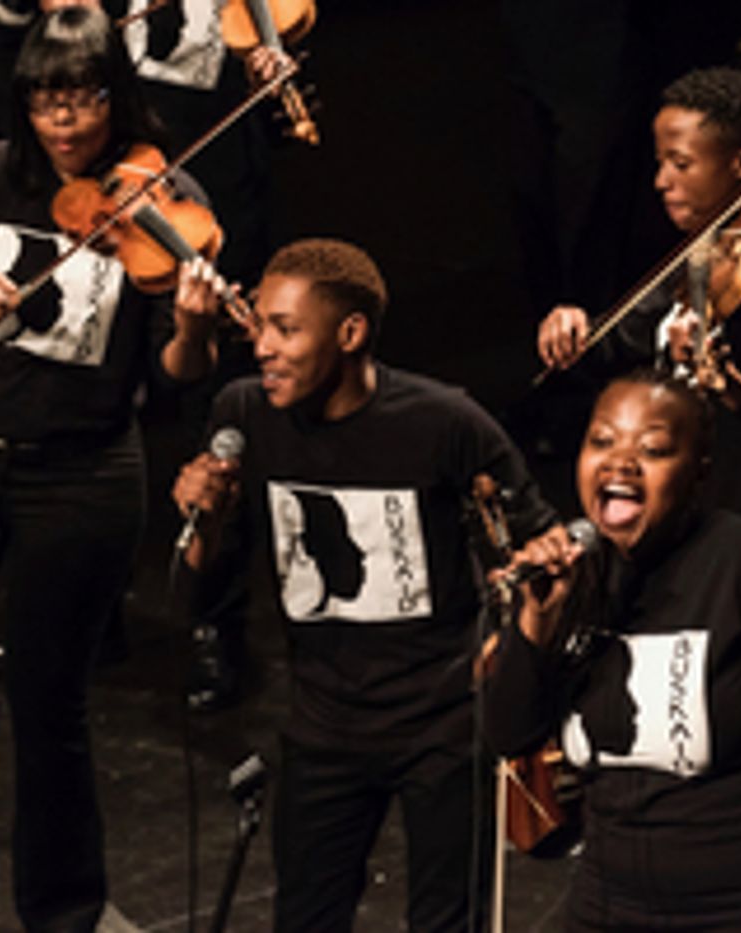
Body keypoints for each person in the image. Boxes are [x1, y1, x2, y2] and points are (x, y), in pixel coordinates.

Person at [0, 6, 221, 929]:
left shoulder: (163, 198)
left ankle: (62, 910)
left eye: (85, 100)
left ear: (116, 99)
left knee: (49, 709)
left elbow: (173, 378)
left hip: (86, 477)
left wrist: (192, 322)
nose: (65, 123)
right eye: (47, 102)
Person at [172, 238, 558, 931]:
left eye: (285, 328)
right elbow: (198, 598)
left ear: (349, 333)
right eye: (259, 324)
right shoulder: (244, 414)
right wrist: (205, 518)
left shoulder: (445, 423)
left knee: (448, 920)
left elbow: (534, 540)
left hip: (441, 725)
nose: (261, 345)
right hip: (323, 726)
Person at [482, 370, 741, 932]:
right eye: (602, 441)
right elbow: (509, 737)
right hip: (614, 897)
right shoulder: (572, 580)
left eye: (652, 449)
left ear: (698, 473)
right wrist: (535, 622)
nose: (620, 462)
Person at [536, 66, 741, 541]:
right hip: (683, 512)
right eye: (660, 162)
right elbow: (625, 341)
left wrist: (734, 388)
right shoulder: (705, 247)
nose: (661, 181)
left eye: (681, 164)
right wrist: (576, 330)